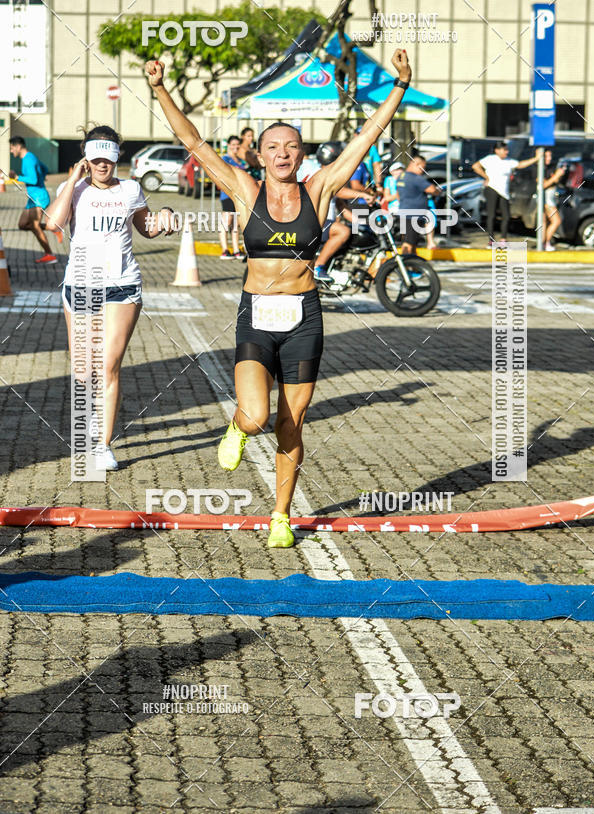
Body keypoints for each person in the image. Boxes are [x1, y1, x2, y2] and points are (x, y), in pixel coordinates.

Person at [145, 49, 413, 548]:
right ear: (261, 154)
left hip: (304, 317)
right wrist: (160, 89)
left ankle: (280, 514)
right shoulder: (245, 189)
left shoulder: (320, 189)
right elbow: (194, 142)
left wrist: (399, 85)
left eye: (291, 146)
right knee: (256, 416)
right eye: (274, 147)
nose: (283, 154)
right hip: (256, 316)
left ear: (302, 153)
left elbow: (366, 138)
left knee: (294, 421)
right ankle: (236, 427)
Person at [44, 125, 175, 471]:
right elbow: (52, 225)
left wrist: (165, 219)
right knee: (84, 369)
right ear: (87, 157)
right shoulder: (72, 189)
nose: (102, 166)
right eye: (96, 159)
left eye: (109, 159)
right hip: (82, 284)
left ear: (118, 158)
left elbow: (146, 227)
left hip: (122, 285)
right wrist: (72, 180)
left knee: (107, 367)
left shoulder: (131, 189)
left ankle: (102, 445)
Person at [312, 152, 376, 281]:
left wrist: (361, 223)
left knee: (354, 233)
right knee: (343, 231)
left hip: (325, 223)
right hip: (314, 222)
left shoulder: (331, 177)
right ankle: (318, 267)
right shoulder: (322, 175)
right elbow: (339, 192)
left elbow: (341, 207)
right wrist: (363, 195)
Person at [472, 141, 541, 246]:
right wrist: (486, 177)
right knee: (491, 214)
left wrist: (536, 158)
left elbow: (520, 164)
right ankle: (491, 239)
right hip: (492, 188)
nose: (506, 152)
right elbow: (475, 166)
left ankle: (503, 238)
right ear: (497, 151)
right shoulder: (490, 159)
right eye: (504, 150)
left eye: (507, 150)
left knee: (506, 215)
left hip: (504, 192)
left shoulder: (509, 161)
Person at [9, 136, 57, 264]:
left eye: (12, 148)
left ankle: (50, 255)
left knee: (35, 226)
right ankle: (53, 228)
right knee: (23, 225)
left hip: (39, 197)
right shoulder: (30, 157)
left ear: (18, 146)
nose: (11, 151)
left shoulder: (28, 159)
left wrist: (17, 177)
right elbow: (45, 168)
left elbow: (34, 180)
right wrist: (42, 176)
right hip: (32, 198)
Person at [396, 155, 441, 254]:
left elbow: (398, 194)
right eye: (422, 168)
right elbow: (432, 190)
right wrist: (438, 191)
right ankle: (405, 264)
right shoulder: (415, 178)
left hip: (404, 212)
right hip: (413, 215)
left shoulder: (401, 176)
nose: (423, 171)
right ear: (416, 164)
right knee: (408, 243)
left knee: (412, 242)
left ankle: (413, 265)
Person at [219, 135, 246, 260]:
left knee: (236, 223)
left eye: (237, 144)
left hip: (239, 195)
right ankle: (224, 249)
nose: (235, 147)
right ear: (228, 145)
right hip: (228, 194)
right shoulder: (225, 159)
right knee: (227, 221)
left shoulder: (241, 161)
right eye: (233, 144)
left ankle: (236, 249)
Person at [542, 150, 565, 251]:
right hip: (546, 199)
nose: (549, 158)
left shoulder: (550, 167)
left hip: (551, 197)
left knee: (544, 222)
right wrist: (556, 176)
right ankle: (545, 243)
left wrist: (559, 175)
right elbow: (543, 185)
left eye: (550, 156)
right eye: (546, 156)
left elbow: (554, 181)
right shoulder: (539, 169)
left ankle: (544, 243)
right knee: (556, 221)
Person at [355, 126, 383, 192]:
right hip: (355, 181)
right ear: (355, 135)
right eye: (359, 134)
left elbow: (377, 166)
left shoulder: (372, 148)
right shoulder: (352, 148)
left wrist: (378, 184)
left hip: (368, 182)